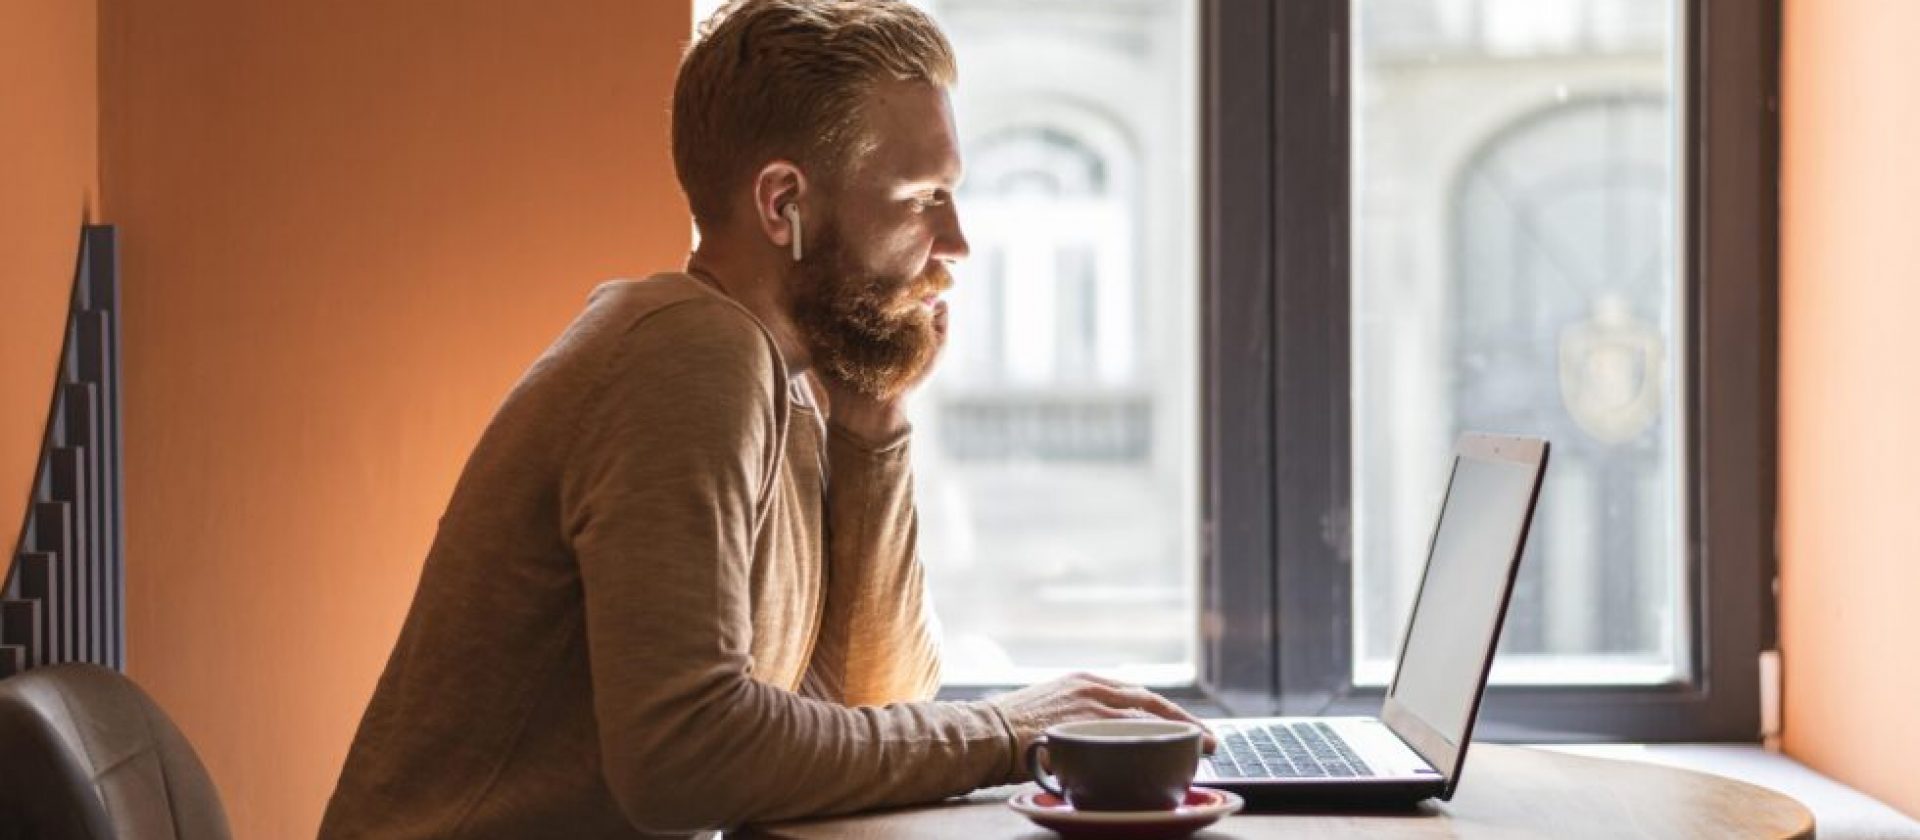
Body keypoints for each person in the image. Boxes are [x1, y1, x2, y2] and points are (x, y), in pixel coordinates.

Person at [319, 1, 1206, 837]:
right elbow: (683, 757)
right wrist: (1011, 729)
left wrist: (871, 428)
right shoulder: (686, 351)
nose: (956, 242)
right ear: (784, 204)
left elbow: (867, 701)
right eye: (920, 198)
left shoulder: (779, 389)